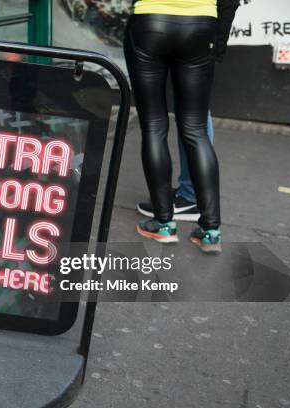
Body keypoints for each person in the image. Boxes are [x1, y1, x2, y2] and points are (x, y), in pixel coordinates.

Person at [124, 0, 239, 253]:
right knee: (196, 129)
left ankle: (164, 224)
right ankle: (211, 230)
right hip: (201, 23)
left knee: (154, 126)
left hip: (151, 19)